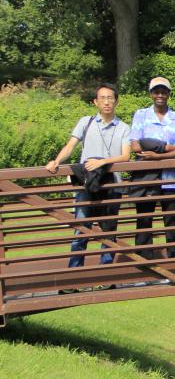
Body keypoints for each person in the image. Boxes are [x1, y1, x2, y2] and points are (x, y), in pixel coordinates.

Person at [45, 83, 131, 268]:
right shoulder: (86, 122)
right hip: (87, 183)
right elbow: (70, 146)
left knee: (109, 231)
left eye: (110, 98)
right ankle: (74, 273)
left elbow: (126, 156)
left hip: (112, 184)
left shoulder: (124, 127)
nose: (107, 102)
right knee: (81, 229)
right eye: (103, 98)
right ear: (95, 102)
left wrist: (102, 161)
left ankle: (106, 274)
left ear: (116, 101)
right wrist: (56, 161)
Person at [128, 77, 175, 260]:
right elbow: (136, 146)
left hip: (171, 178)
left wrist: (157, 155)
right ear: (151, 94)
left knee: (171, 221)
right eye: (156, 91)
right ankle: (144, 261)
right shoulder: (141, 115)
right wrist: (169, 147)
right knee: (144, 220)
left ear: (169, 94)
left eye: (164, 91)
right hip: (146, 178)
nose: (160, 95)